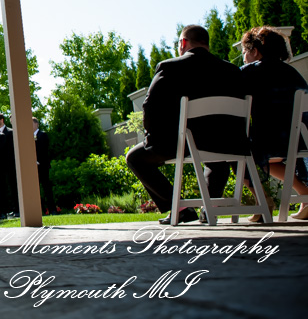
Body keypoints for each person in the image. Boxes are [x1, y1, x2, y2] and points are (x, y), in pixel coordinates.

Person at [126, 24, 248, 225]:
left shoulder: (171, 66)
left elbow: (150, 105)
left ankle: (181, 208)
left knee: (135, 158)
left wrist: (152, 137)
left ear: (183, 43)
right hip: (227, 142)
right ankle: (210, 209)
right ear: (206, 44)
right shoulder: (232, 70)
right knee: (218, 162)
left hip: (182, 142)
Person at [240, 26, 308, 221]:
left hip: (270, 141)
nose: (244, 57)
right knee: (259, 156)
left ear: (255, 50)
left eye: (245, 51)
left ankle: (262, 203)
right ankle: (305, 195)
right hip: (301, 140)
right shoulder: (292, 73)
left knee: (237, 149)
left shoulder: (249, 72)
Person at [0, 111, 19, 218]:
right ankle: (2, 211)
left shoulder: (11, 132)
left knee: (13, 187)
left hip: (10, 165)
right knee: (0, 189)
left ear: (1, 120)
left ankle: (17, 210)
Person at [32, 118, 57, 215]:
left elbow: (44, 150)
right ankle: (40, 210)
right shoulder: (29, 136)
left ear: (36, 124)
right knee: (36, 190)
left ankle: (52, 209)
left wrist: (38, 161)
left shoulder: (43, 135)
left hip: (42, 166)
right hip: (33, 167)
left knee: (46, 188)